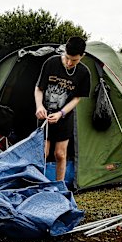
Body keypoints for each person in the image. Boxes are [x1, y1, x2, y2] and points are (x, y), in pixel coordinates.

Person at [34, 36, 91, 182]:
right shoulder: (51, 63)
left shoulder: (84, 73)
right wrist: (39, 106)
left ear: (82, 57)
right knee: (43, 153)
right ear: (64, 52)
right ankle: (37, 184)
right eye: (67, 58)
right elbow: (39, 88)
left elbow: (76, 98)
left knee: (60, 154)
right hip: (44, 116)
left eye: (74, 60)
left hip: (64, 117)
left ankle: (60, 186)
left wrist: (61, 113)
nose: (69, 63)